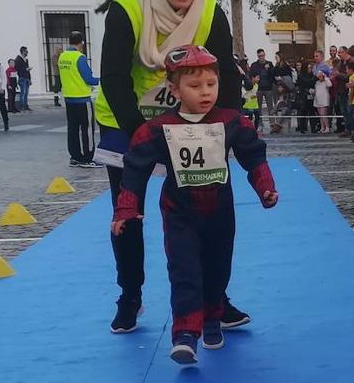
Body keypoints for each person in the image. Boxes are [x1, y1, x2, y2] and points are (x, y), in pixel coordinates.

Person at [93, 0, 246, 335]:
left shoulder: (210, 11)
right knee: (129, 216)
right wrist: (145, 136)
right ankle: (130, 297)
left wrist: (227, 128)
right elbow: (113, 78)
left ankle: (216, 301)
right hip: (127, 121)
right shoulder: (128, 8)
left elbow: (227, 75)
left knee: (208, 219)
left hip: (190, 123)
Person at [111, 45, 278, 366]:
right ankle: (185, 334)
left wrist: (266, 188)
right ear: (174, 89)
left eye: (211, 84)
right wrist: (126, 209)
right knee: (184, 270)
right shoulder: (157, 129)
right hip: (179, 211)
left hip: (220, 210)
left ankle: (213, 317)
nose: (205, 92)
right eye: (195, 86)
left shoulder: (231, 121)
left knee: (218, 269)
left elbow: (254, 155)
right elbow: (135, 168)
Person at [59, 30, 101, 167]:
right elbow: (89, 79)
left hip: (69, 98)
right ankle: (87, 158)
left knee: (72, 129)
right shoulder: (80, 57)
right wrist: (103, 80)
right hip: (82, 99)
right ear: (82, 42)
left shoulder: (62, 57)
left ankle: (75, 156)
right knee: (87, 129)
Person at [249, 48, 278, 131]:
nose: (261, 57)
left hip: (268, 88)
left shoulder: (270, 63)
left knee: (270, 107)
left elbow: (273, 74)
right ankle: (260, 124)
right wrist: (262, 69)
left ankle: (272, 124)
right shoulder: (254, 65)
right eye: (259, 56)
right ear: (257, 56)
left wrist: (269, 69)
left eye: (262, 55)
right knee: (258, 107)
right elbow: (252, 75)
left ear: (264, 55)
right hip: (259, 89)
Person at [312, 50, 333, 133]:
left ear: (321, 57)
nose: (315, 58)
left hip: (323, 89)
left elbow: (330, 76)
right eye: (315, 56)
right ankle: (322, 127)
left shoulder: (325, 66)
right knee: (319, 112)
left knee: (323, 111)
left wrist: (324, 78)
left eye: (317, 56)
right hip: (317, 89)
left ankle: (327, 127)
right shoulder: (314, 66)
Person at [15, 47, 33, 112]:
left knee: (26, 93)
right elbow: (17, 69)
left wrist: (30, 79)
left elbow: (28, 70)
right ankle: (21, 106)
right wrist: (25, 69)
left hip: (26, 78)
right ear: (23, 51)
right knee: (23, 92)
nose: (27, 52)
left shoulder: (26, 59)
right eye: (26, 51)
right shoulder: (18, 59)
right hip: (22, 78)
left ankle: (25, 105)